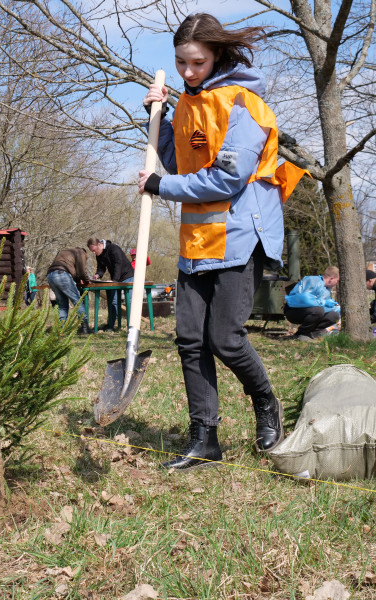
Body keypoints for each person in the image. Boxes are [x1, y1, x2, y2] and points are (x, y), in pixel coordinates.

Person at [138, 13, 307, 469]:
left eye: (196, 62)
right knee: (190, 339)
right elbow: (177, 164)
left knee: (226, 338)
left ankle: (267, 404)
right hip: (199, 237)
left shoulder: (244, 105)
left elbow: (227, 179)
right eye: (181, 63)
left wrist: (158, 187)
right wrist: (156, 116)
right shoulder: (191, 104)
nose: (188, 72)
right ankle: (204, 438)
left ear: (217, 56)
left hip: (241, 234)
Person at [86, 237, 134, 331]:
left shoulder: (114, 248)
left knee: (130, 302)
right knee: (113, 302)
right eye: (92, 251)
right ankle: (110, 326)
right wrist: (97, 275)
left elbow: (118, 264)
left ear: (99, 245)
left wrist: (114, 280)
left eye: (94, 250)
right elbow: (101, 268)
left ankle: (132, 327)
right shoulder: (99, 255)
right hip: (115, 279)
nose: (94, 253)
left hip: (128, 276)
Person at [283, 267, 341, 341]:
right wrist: (324, 302)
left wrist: (335, 308)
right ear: (331, 279)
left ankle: (311, 334)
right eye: (337, 281)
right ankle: (302, 333)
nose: (337, 283)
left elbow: (323, 305)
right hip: (293, 311)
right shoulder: (313, 281)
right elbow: (306, 299)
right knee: (318, 310)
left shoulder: (326, 289)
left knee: (333, 315)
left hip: (310, 312)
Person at [46, 247, 92, 334]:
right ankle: (85, 328)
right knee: (77, 301)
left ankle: (62, 329)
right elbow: (81, 271)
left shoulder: (66, 251)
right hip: (62, 274)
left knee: (62, 304)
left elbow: (73, 270)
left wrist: (78, 280)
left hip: (50, 275)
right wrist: (87, 281)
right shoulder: (81, 252)